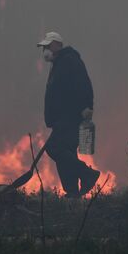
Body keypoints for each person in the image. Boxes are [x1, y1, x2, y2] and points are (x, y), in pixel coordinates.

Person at [38, 31, 100, 198]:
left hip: (71, 115)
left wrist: (87, 106)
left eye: (48, 45)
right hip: (61, 118)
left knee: (54, 147)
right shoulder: (58, 64)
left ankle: (88, 174)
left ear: (58, 45)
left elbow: (83, 84)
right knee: (67, 152)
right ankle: (72, 192)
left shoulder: (69, 60)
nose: (45, 50)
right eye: (44, 47)